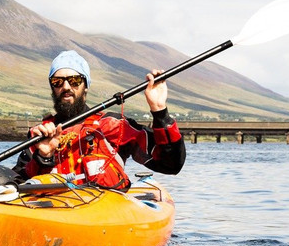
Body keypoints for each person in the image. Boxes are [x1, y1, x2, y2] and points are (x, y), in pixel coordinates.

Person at [13, 49, 185, 189]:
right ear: (52, 87)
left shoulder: (114, 126)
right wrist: (43, 157)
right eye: (58, 82)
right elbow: (18, 184)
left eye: (74, 80)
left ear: (85, 86)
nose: (66, 87)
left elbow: (170, 164)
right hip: (56, 212)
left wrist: (159, 111)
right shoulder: (40, 133)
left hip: (104, 212)